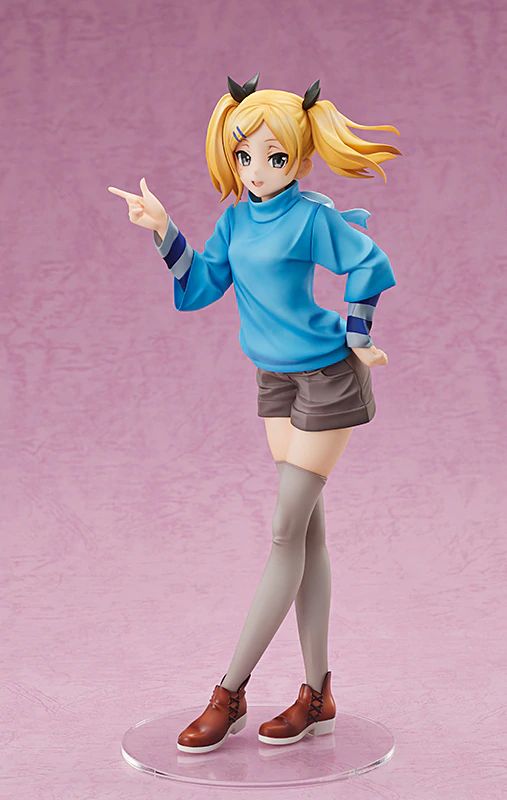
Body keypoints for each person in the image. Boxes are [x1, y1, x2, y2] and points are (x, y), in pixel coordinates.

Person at [108, 73, 401, 753]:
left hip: (327, 378)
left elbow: (369, 261)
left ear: (300, 156)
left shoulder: (312, 217)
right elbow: (203, 283)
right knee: (308, 538)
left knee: (282, 534)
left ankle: (229, 691)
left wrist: (358, 331)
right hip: (273, 380)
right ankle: (318, 696)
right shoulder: (237, 220)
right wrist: (163, 231)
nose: (258, 169)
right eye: (245, 156)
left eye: (275, 156)